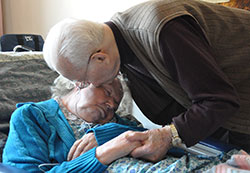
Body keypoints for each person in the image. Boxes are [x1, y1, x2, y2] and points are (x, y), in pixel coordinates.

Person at [43, 0, 250, 161]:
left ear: (100, 58)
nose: (88, 86)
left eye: (84, 80)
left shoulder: (162, 30)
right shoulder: (120, 50)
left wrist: (169, 135)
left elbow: (219, 100)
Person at [2, 76, 145, 172]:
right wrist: (101, 155)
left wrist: (109, 134)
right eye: (107, 93)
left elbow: (158, 141)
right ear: (81, 81)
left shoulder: (125, 123)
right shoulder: (31, 116)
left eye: (116, 104)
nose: (111, 105)